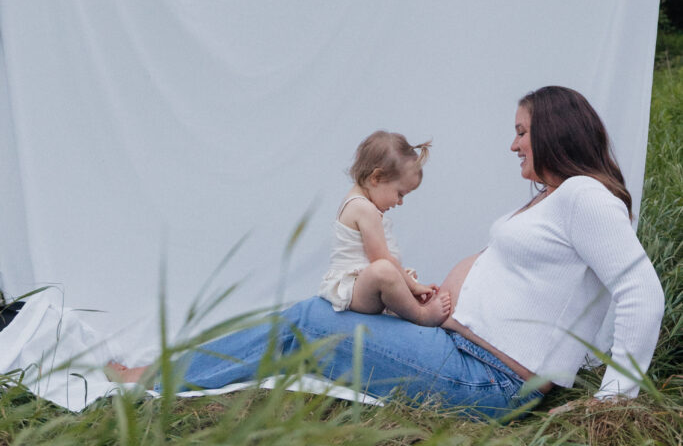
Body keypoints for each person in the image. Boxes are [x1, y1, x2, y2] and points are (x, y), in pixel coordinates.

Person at [114, 87, 665, 419]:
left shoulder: (585, 196)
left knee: (307, 322)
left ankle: (157, 378)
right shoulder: (553, 197)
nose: (513, 143)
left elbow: (640, 291)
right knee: (312, 315)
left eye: (522, 131)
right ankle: (168, 371)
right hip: (460, 352)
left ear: (555, 132)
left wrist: (613, 399)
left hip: (488, 379)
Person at [318, 131, 451, 326]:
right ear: (377, 177)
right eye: (400, 194)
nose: (400, 202)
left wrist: (408, 283)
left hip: (363, 285)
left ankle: (407, 304)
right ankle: (421, 315)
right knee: (385, 271)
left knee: (396, 273)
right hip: (354, 291)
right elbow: (380, 258)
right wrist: (412, 286)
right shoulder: (364, 208)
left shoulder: (360, 204)